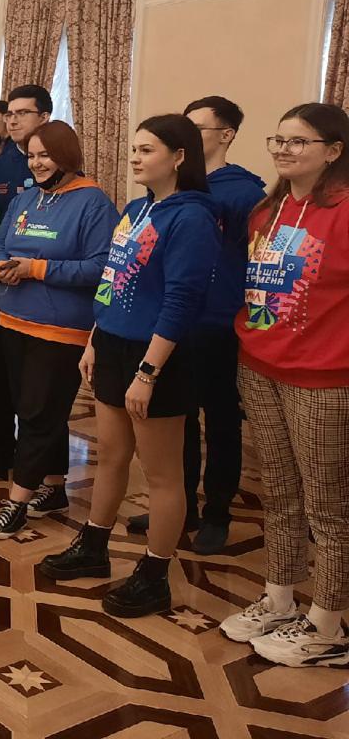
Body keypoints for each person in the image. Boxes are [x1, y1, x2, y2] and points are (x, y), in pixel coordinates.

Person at [40, 114, 219, 619]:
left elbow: (181, 300)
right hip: (113, 345)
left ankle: (154, 574)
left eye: (147, 150)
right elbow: (114, 280)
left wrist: (148, 372)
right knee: (112, 456)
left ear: (179, 157)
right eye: (134, 149)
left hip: (158, 356)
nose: (135, 158)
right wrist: (95, 339)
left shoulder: (192, 217)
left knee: (161, 475)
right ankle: (93, 546)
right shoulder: (137, 209)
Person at [220, 103, 349, 667]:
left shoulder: (344, 211)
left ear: (333, 151)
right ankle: (279, 597)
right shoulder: (267, 211)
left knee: (327, 503)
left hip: (322, 378)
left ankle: (328, 625)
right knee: (279, 490)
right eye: (279, 139)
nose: (283, 150)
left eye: (298, 142)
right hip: (260, 366)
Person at [128, 97, 264, 553]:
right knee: (176, 417)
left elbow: (253, 261)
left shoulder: (243, 193)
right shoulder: (166, 194)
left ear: (226, 135)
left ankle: (217, 512)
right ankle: (179, 506)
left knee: (220, 418)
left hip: (217, 322)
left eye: (198, 127)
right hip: (171, 323)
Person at [0, 122, 117, 538]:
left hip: (60, 329)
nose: (37, 163)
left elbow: (101, 266)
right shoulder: (25, 199)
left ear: (67, 155)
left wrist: (35, 269)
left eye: (45, 155)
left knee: (38, 414)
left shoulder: (93, 202)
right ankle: (55, 487)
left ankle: (17, 502)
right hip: (12, 321)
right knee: (36, 409)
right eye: (32, 155)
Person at [0, 85, 47, 476]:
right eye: (10, 114)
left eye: (22, 113)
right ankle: (3, 447)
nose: (13, 120)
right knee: (0, 366)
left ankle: (42, 464)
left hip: (45, 288)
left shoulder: (57, 167)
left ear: (43, 118)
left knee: (38, 381)